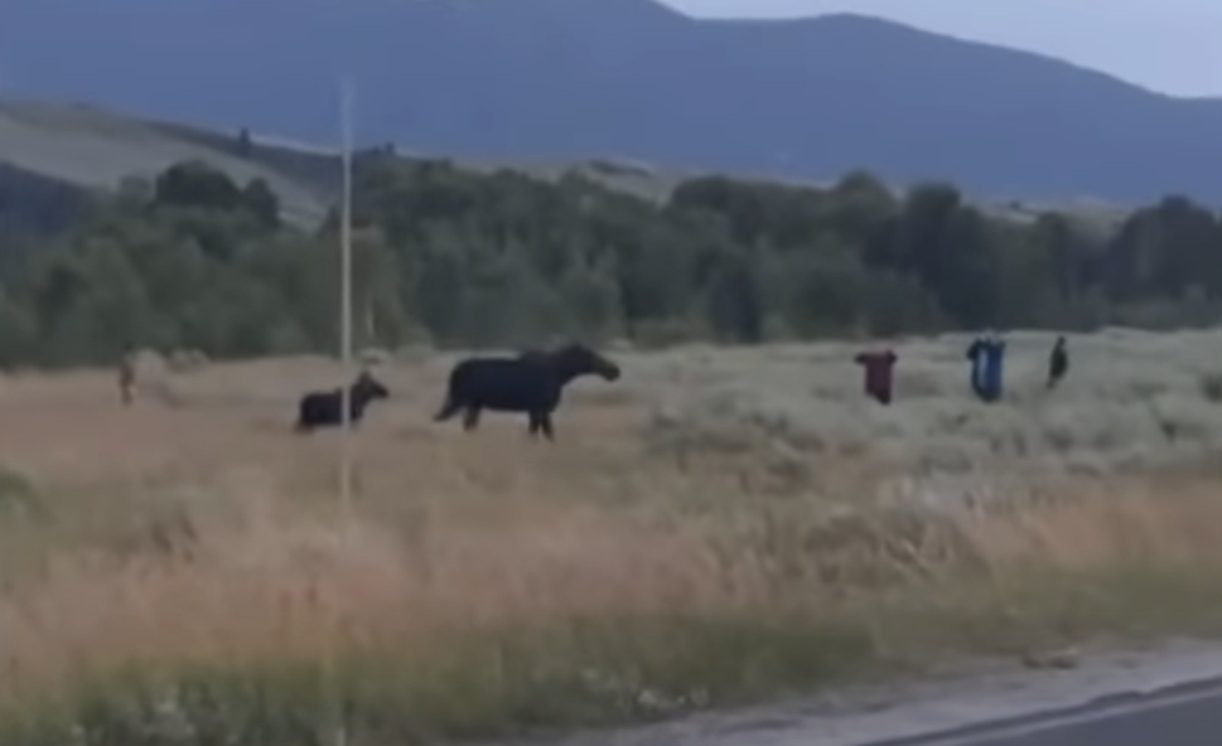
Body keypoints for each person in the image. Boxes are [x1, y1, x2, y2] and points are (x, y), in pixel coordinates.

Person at [966, 333, 1006, 403]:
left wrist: (977, 343)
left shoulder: (981, 348)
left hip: (983, 383)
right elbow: (1002, 345)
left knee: (984, 397)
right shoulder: (997, 348)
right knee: (992, 400)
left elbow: (969, 355)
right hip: (995, 383)